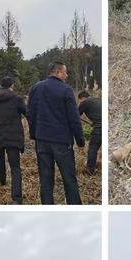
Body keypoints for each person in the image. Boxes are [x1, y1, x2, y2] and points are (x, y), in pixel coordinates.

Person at [27, 61, 85, 205]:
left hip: (42, 141)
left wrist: (34, 134)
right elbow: (74, 118)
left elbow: (30, 113)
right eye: (65, 72)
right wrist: (80, 140)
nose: (67, 75)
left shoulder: (36, 88)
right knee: (69, 178)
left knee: (45, 179)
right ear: (57, 72)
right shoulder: (66, 90)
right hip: (61, 142)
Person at [0, 77, 27, 205]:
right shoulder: (17, 99)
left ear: (1, 85)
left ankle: (2, 181)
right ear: (12, 85)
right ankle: (16, 198)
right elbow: (27, 112)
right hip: (13, 136)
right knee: (15, 167)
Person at [77, 91, 102, 175]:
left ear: (82, 98)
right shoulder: (98, 100)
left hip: (99, 127)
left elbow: (76, 115)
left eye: (80, 100)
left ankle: (90, 171)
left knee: (93, 148)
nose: (80, 102)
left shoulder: (85, 102)